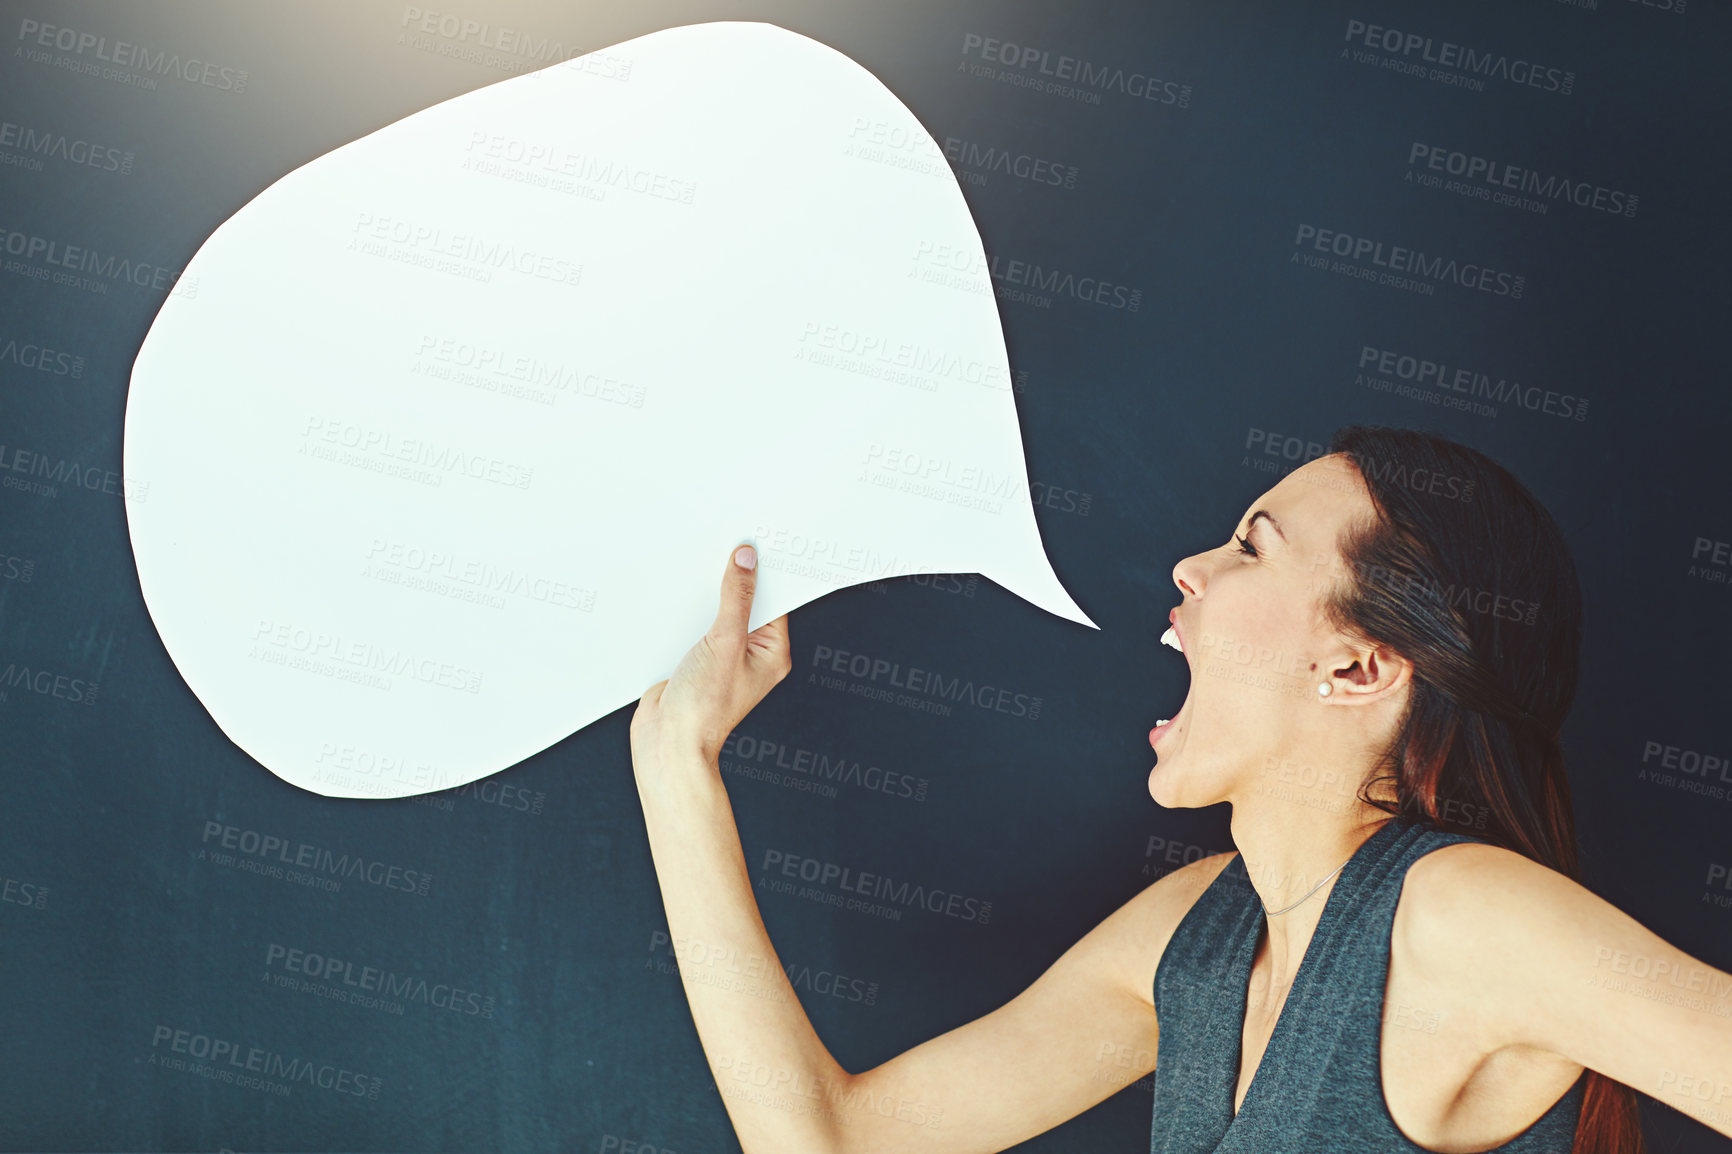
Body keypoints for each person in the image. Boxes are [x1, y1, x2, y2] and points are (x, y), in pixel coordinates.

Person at [628, 425, 1731, 1154]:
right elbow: (831, 1141)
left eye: (1252, 547)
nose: (1190, 568)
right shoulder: (1193, 932)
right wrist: (679, 761)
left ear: (1358, 665)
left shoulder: (1459, 916)